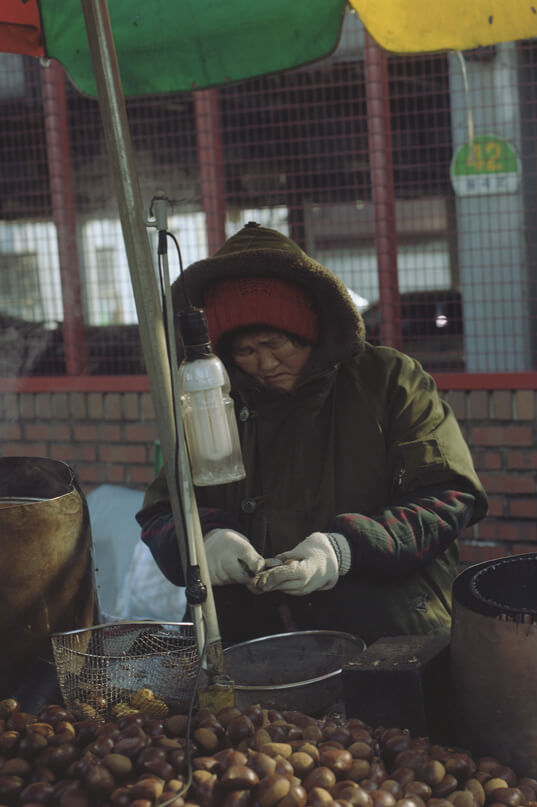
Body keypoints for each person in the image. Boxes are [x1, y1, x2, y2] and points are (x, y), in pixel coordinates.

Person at [137, 222, 488, 646]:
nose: (264, 364)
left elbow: (447, 498)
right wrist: (205, 540)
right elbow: (161, 513)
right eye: (246, 351)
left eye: (276, 343)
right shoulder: (209, 399)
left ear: (309, 330)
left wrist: (344, 550)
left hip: (388, 639)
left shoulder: (388, 381)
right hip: (249, 643)